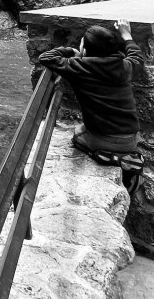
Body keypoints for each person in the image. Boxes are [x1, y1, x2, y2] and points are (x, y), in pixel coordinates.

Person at [38, 18, 145, 190]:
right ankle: (125, 161)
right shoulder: (124, 66)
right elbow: (137, 57)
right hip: (131, 139)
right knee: (83, 129)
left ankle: (107, 156)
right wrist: (127, 35)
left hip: (105, 139)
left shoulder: (79, 67)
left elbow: (46, 57)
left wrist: (69, 50)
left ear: (85, 50)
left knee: (77, 133)